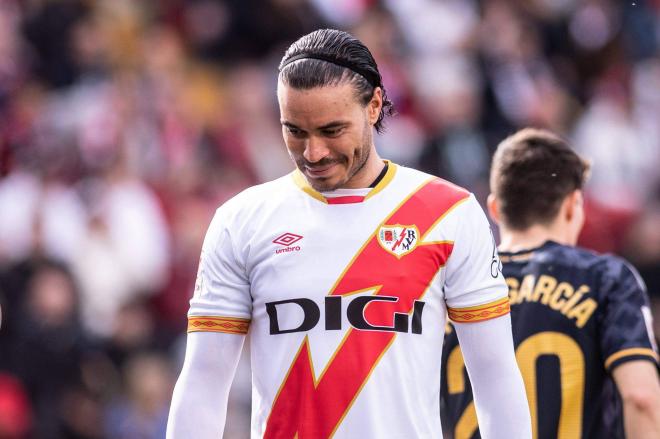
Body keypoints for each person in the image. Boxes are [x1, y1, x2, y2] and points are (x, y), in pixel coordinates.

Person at [167, 29, 531, 438]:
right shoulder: (242, 221)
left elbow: (496, 378)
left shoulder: (450, 213)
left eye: (331, 130)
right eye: (295, 131)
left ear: (374, 105)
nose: (313, 152)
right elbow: (203, 385)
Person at [441, 128, 660, 438]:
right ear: (573, 205)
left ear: (495, 208)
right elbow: (642, 397)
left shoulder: (452, 285)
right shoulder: (606, 279)